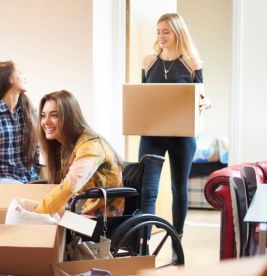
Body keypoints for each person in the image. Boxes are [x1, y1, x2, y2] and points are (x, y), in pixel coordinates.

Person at [139, 13, 210, 238]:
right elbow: (143, 97)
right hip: (152, 134)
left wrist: (206, 102)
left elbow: (202, 96)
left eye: (166, 31)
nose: (160, 36)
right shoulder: (149, 61)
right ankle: (145, 243)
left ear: (177, 32)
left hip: (182, 136)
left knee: (178, 190)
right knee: (147, 190)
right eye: (158, 31)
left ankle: (177, 241)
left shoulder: (191, 62)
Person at [34, 90, 124, 216]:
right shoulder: (66, 145)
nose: (45, 122)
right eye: (43, 115)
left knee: (34, 223)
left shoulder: (91, 145)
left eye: (54, 115)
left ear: (70, 117)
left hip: (100, 220)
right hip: (76, 213)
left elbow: (70, 185)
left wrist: (38, 213)